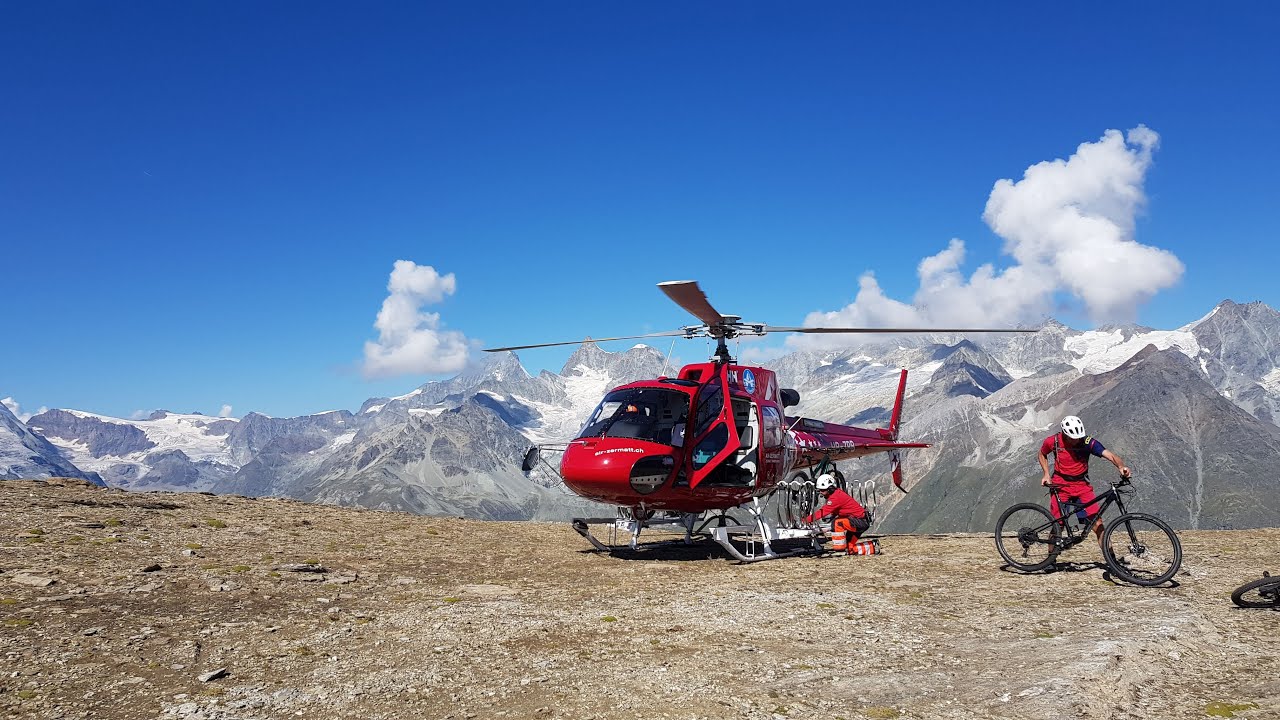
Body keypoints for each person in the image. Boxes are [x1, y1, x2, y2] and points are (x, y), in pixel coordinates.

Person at [1038, 415, 1132, 547]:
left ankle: (1111, 557)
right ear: (1065, 434)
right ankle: (1051, 556)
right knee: (1058, 525)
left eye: (1078, 437)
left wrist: (1121, 466)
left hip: (1082, 486)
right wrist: (1046, 474)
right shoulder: (1053, 441)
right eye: (1072, 438)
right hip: (1060, 485)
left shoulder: (1087, 442)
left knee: (1097, 524)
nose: (1076, 440)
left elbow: (1110, 455)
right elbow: (1042, 453)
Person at [802, 473, 878, 555]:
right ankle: (873, 546)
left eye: (823, 490)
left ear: (830, 489)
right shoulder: (837, 493)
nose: (821, 493)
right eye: (820, 490)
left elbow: (822, 512)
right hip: (860, 521)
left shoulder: (835, 497)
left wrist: (805, 520)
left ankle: (839, 549)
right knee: (850, 548)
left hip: (860, 522)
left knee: (837, 523)